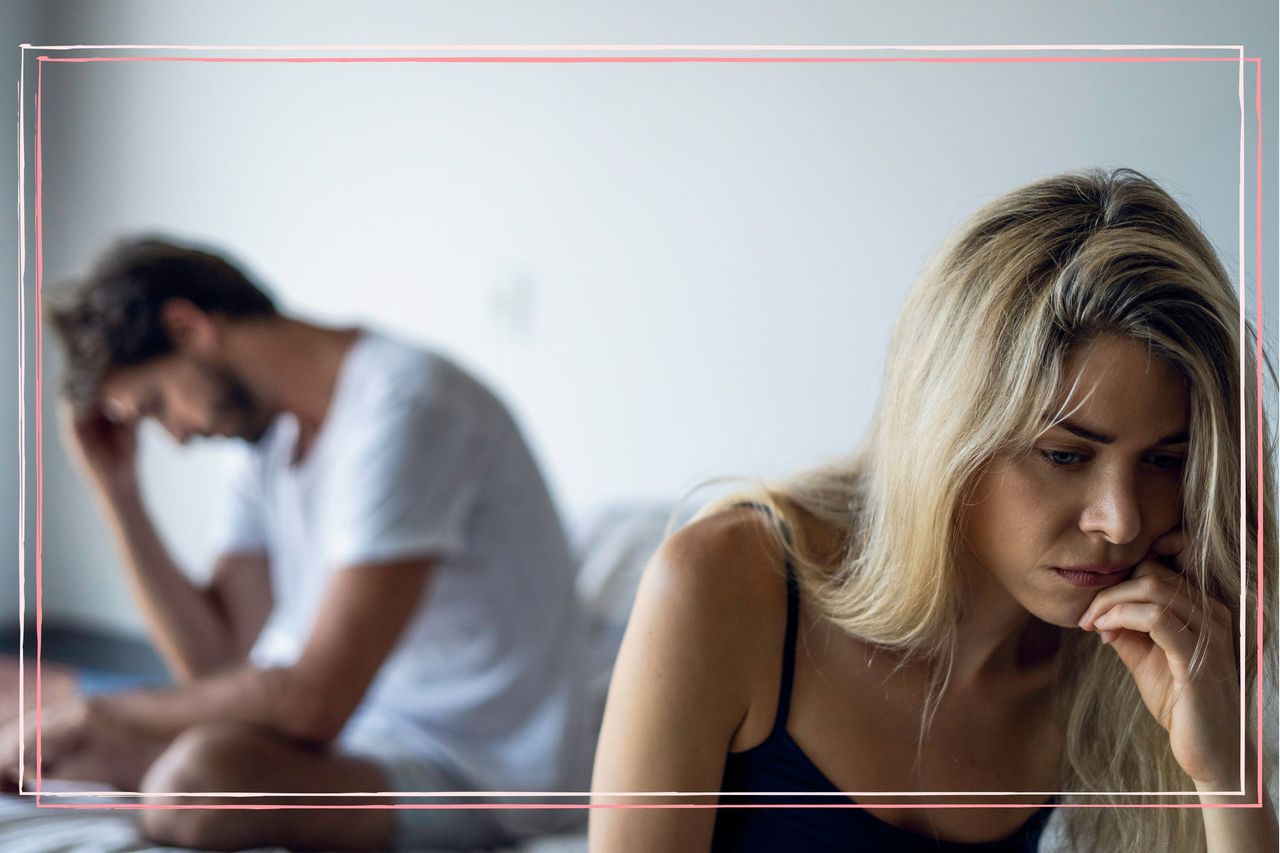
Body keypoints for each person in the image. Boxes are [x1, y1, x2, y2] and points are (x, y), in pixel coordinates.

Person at [590, 169, 1278, 852]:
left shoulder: (1127, 656)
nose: (1121, 521)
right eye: (1065, 455)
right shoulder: (725, 585)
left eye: (1165, 460)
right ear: (949, 434)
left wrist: (1223, 768)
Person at [12, 238, 591, 850]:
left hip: (479, 766)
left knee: (195, 785)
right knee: (58, 750)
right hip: (355, 734)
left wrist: (108, 709)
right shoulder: (267, 438)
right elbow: (216, 664)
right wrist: (118, 494)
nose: (177, 438)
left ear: (187, 329)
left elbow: (314, 702)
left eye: (157, 404)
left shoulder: (409, 407)